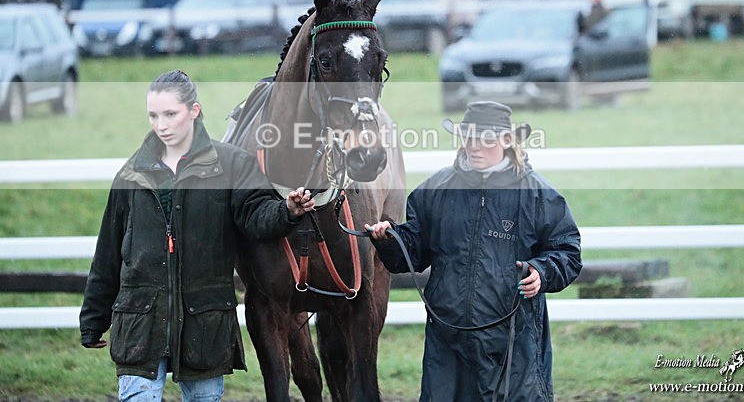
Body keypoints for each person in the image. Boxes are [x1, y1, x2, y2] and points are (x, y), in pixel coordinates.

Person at [80, 70, 315, 401]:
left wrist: (287, 211)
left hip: (203, 327)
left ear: (194, 111)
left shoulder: (233, 166)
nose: (161, 125)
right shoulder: (130, 175)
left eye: (170, 114)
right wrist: (93, 320)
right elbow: (108, 252)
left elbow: (257, 218)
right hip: (140, 325)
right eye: (153, 116)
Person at [365, 101, 582, 402]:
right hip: (448, 338)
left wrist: (542, 271)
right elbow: (412, 253)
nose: (475, 147)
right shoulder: (436, 190)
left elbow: (567, 252)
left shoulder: (538, 194)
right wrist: (389, 239)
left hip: (514, 338)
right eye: (468, 138)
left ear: (507, 141)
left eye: (485, 140)